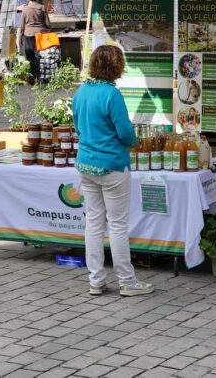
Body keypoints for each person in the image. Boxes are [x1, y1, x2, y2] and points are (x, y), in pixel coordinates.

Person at [72, 45, 153, 297]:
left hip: (86, 163)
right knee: (117, 225)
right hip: (112, 166)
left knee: (94, 224)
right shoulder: (112, 95)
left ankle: (96, 280)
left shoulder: (81, 91)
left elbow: (77, 126)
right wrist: (133, 142)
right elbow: (126, 133)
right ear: (116, 67)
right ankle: (127, 281)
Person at [18, 0, 50, 85]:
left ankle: (32, 79)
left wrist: (20, 39)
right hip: (41, 35)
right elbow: (48, 24)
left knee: (30, 57)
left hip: (28, 35)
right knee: (41, 57)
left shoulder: (25, 9)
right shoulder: (42, 8)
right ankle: (41, 78)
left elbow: (22, 26)